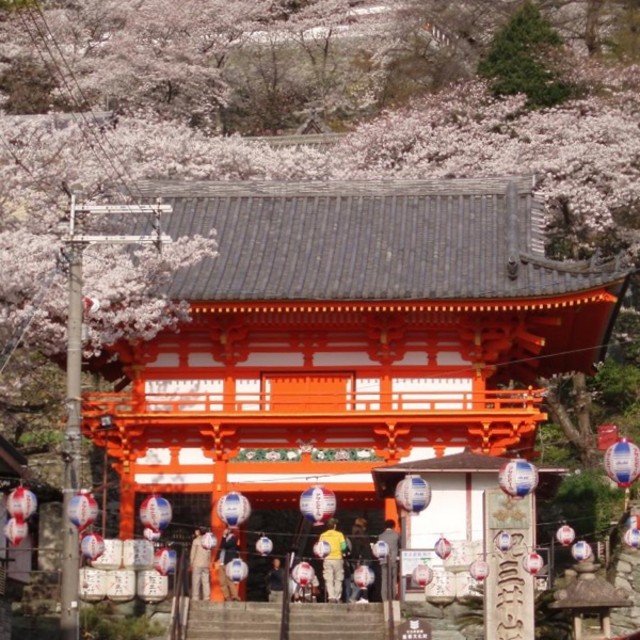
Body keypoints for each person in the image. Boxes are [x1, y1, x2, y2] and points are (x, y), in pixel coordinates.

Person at [318, 517, 348, 603]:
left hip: (327, 559)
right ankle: (338, 597)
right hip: (338, 558)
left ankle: (331, 597)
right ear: (335, 526)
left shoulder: (323, 535)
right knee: (338, 579)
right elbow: (344, 547)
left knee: (329, 579)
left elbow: (320, 548)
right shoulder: (339, 534)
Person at [348, 517, 373, 603]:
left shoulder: (357, 534)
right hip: (366, 558)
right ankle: (363, 597)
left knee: (359, 578)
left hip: (360, 559)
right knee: (365, 578)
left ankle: (356, 597)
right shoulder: (363, 534)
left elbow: (357, 548)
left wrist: (354, 558)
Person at [215, 527, 241, 601]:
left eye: (228, 529)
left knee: (229, 580)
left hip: (228, 562)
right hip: (222, 562)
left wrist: (223, 536)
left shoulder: (233, 538)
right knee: (222, 581)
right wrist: (217, 558)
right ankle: (227, 597)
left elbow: (225, 545)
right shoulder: (225, 538)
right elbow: (221, 547)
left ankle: (235, 596)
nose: (226, 530)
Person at [378, 519, 401, 602]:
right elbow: (400, 546)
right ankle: (392, 597)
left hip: (383, 560)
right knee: (393, 579)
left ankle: (384, 598)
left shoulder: (381, 536)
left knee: (384, 580)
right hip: (393, 560)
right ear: (393, 526)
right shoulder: (396, 535)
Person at [190, 527, 211, 600]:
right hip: (206, 564)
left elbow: (193, 553)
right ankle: (207, 597)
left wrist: (191, 562)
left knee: (196, 581)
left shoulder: (196, 541)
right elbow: (209, 553)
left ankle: (195, 597)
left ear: (199, 532)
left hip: (197, 563)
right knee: (206, 581)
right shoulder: (208, 541)